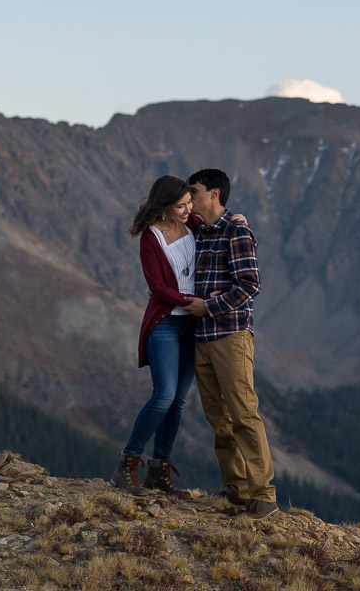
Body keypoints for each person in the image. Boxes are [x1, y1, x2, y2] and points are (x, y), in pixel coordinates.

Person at [183, 168, 278, 518]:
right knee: (218, 419)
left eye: (194, 191)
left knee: (243, 414)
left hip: (231, 335)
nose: (188, 197)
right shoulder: (200, 232)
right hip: (203, 337)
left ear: (214, 194)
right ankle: (237, 491)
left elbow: (249, 284)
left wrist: (208, 306)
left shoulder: (235, 229)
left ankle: (264, 495)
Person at [110, 175, 200, 498]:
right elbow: (158, 288)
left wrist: (238, 219)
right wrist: (190, 302)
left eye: (190, 203)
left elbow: (223, 227)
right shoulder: (150, 238)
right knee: (163, 396)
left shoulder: (194, 225)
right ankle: (127, 463)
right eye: (181, 206)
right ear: (164, 207)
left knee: (177, 402)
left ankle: (159, 470)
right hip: (165, 323)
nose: (189, 209)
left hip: (191, 325)